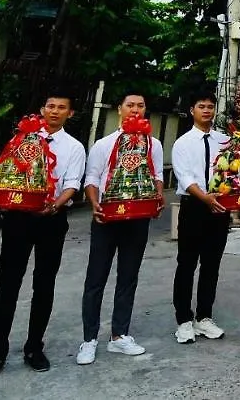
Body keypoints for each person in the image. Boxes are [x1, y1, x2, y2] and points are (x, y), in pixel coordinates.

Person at [0, 90, 86, 382]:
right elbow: (5, 172)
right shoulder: (22, 138)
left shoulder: (74, 147)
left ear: (69, 113)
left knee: (44, 284)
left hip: (52, 219)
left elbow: (73, 183)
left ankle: (34, 348)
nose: (55, 111)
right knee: (7, 285)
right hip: (18, 219)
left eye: (62, 107)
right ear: (42, 108)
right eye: (51, 105)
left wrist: (55, 206)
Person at [79, 94, 165, 365]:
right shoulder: (105, 144)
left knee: (128, 277)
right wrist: (95, 204)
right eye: (130, 105)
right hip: (107, 218)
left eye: (140, 105)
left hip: (137, 220)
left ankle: (120, 335)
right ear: (120, 109)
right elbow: (92, 177)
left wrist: (157, 199)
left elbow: (157, 177)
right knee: (96, 278)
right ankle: (89, 339)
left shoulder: (153, 144)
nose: (135, 110)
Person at [169, 93, 230, 345]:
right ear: (192, 110)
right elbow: (184, 178)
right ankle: (184, 319)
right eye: (201, 106)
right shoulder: (183, 143)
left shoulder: (224, 140)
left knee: (211, 264)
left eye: (210, 107)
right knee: (186, 263)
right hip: (195, 205)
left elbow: (232, 170)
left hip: (219, 207)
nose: (206, 111)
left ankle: (205, 316)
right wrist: (205, 198)